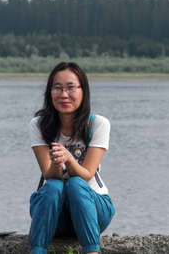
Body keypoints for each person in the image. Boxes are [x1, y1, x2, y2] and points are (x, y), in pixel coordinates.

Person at [28, 62, 115, 254]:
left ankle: (92, 251)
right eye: (57, 88)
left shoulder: (98, 124)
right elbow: (49, 174)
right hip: (53, 212)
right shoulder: (39, 125)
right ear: (50, 93)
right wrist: (58, 165)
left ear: (83, 91)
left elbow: (87, 174)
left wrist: (69, 158)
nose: (64, 94)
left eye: (70, 88)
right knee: (54, 186)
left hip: (94, 209)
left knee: (75, 183)